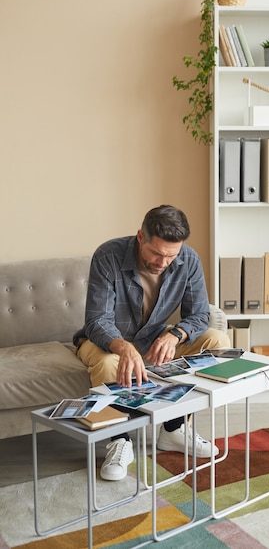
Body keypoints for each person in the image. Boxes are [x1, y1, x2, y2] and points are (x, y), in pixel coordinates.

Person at [74, 204, 230, 481]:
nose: (162, 262)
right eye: (156, 253)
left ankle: (173, 429)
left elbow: (199, 315)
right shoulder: (108, 255)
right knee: (111, 361)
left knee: (217, 339)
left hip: (154, 336)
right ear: (140, 237)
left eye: (171, 255)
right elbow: (97, 320)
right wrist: (124, 347)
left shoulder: (189, 260)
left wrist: (175, 335)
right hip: (103, 342)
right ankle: (118, 440)